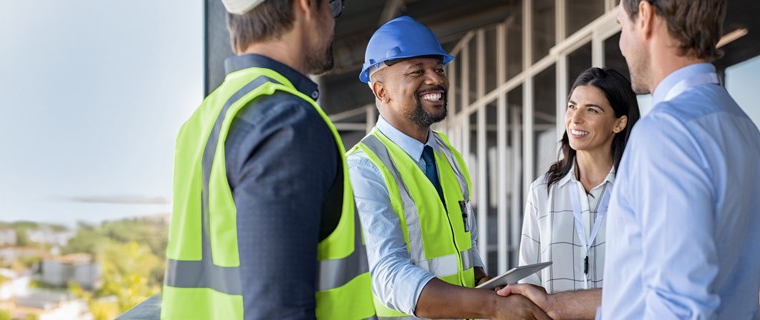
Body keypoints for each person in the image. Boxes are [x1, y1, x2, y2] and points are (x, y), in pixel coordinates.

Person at [499, 0, 760, 318]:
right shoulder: (743, 126)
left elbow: (677, 306)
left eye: (620, 25)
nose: (622, 44)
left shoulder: (666, 132)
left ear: (644, 16)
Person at [161, 0, 375, 318]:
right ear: (305, 5)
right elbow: (278, 311)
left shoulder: (204, 118)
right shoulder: (286, 123)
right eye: (333, 5)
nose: (333, 19)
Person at [347, 16, 550, 320]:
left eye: (439, 69)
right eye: (417, 72)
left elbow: (468, 250)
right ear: (380, 91)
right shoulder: (364, 168)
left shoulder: (447, 154)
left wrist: (488, 285)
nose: (436, 80)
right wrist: (494, 308)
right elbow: (389, 275)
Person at [515, 67, 639, 296]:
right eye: (572, 106)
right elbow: (528, 279)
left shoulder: (639, 189)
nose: (576, 119)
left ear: (619, 123)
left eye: (591, 110)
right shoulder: (542, 191)